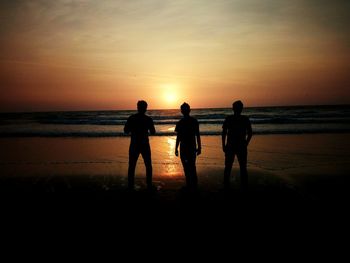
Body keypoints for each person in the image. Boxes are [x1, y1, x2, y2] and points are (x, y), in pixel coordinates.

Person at [124, 100, 156, 190]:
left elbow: (126, 131)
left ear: (137, 107)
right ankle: (149, 184)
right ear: (146, 108)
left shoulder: (132, 118)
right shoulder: (148, 119)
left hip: (134, 144)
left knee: (132, 165)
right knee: (148, 165)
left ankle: (130, 185)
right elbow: (153, 132)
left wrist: (133, 129)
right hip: (145, 144)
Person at [222, 100, 252, 189]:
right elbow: (250, 133)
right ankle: (244, 186)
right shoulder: (245, 119)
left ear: (233, 108)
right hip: (241, 145)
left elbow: (224, 133)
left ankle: (226, 185)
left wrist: (223, 145)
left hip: (231, 145)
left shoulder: (229, 118)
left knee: (228, 167)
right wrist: (246, 143)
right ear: (241, 109)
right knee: (243, 167)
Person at [175, 103, 201, 190]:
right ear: (189, 110)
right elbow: (197, 135)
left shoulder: (181, 122)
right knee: (192, 166)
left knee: (187, 167)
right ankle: (193, 184)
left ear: (182, 111)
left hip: (185, 147)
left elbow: (178, 137)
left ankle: (190, 184)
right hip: (191, 147)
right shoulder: (194, 121)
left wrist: (176, 148)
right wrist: (199, 147)